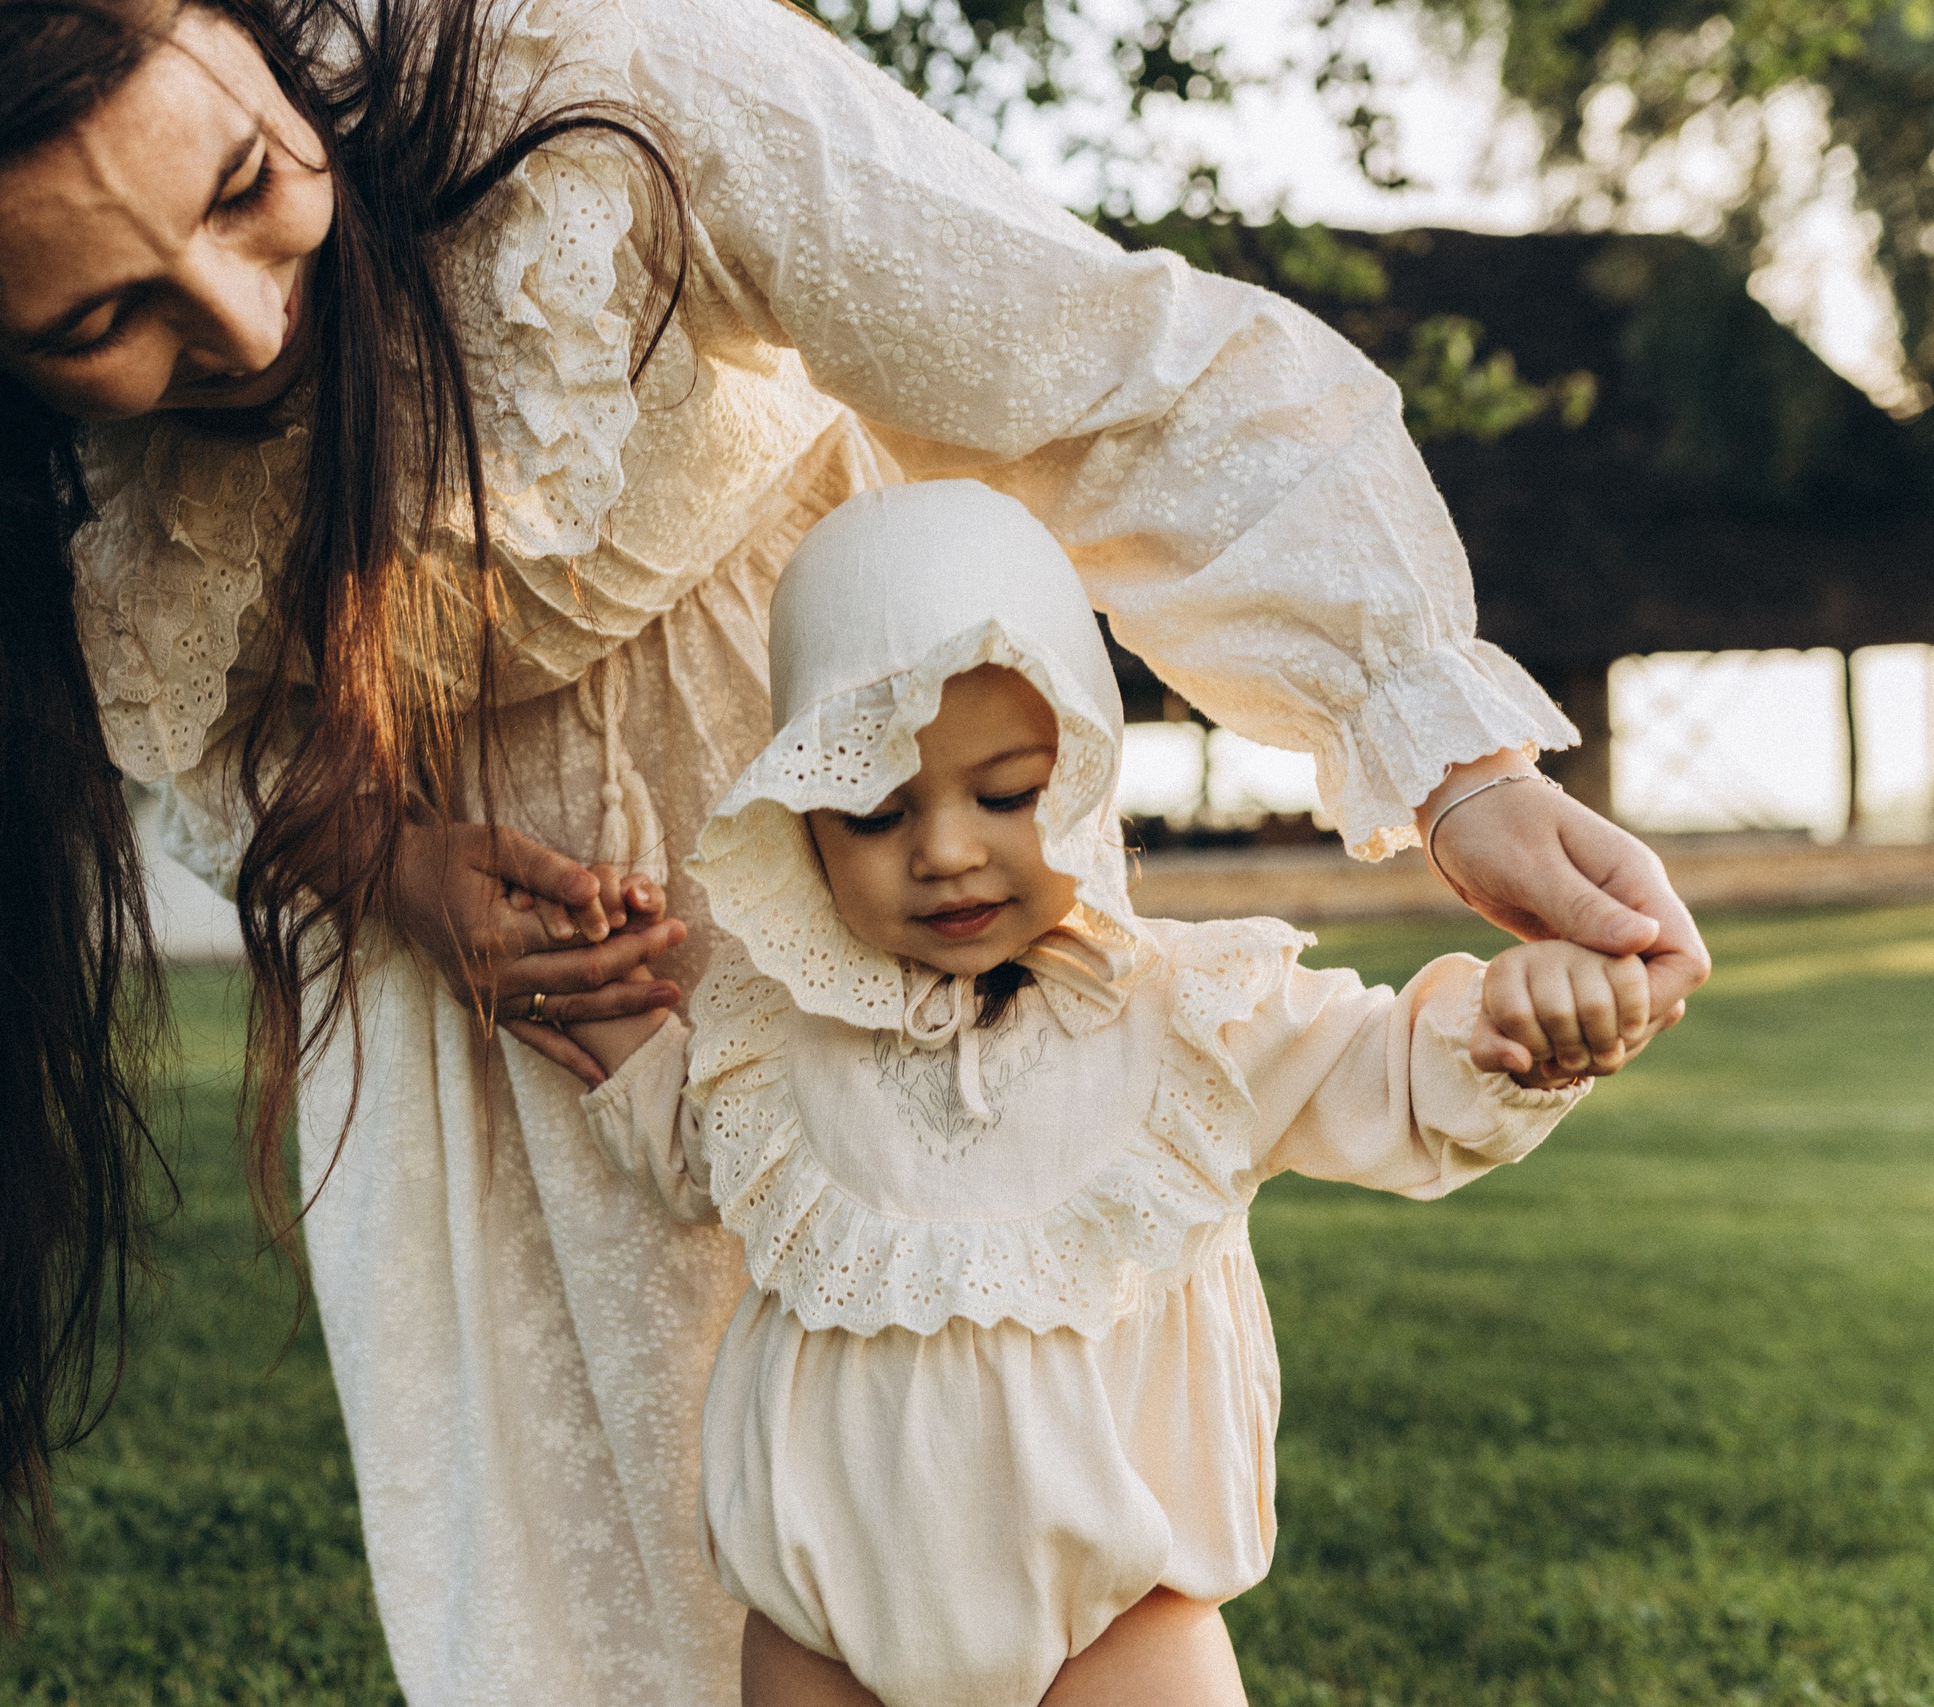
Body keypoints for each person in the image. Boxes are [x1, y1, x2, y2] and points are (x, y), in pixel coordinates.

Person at [0, 0, 1708, 1700]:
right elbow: (210, 731)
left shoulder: (599, 88)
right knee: (613, 1592)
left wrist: (1444, 752)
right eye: (88, 324)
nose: (233, 326)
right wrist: (391, 859)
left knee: (1000, 1496)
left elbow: (1108, 380)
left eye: (235, 188)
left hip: (853, 802)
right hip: (516, 1033)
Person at [567, 481, 1656, 1706]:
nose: (944, 850)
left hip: (1121, 1619)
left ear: (1084, 773)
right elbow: (689, 1150)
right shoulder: (776, 1039)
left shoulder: (1195, 1014)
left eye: (1007, 793)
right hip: (823, 1632)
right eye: (875, 811)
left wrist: (1521, 1029)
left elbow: (1393, 1076)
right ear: (801, 819)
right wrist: (602, 1003)